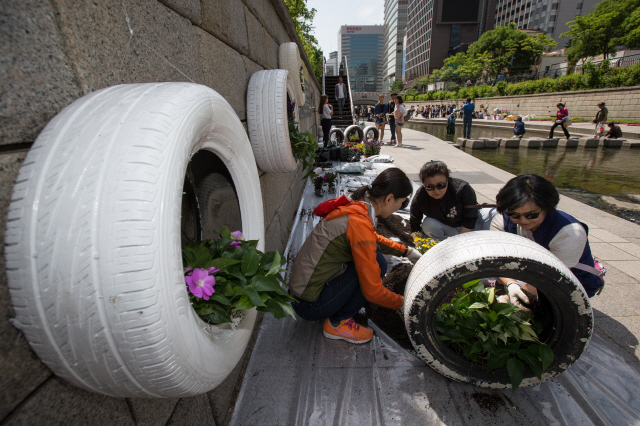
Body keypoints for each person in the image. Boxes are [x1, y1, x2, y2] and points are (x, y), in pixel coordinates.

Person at [289, 168, 421, 344]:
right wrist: (403, 303)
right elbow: (372, 291)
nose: (400, 208)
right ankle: (337, 324)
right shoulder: (358, 221)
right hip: (309, 305)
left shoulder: (358, 206)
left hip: (302, 292)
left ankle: (336, 308)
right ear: (389, 198)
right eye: (402, 203)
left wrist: (406, 251)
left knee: (376, 255)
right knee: (378, 264)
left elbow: (372, 239)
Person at [491, 174, 603, 301]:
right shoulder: (501, 220)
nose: (523, 220)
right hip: (527, 270)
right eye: (514, 215)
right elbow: (497, 259)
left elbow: (553, 278)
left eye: (531, 215)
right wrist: (511, 284)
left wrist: (508, 299)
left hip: (566, 279)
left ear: (546, 207)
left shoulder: (569, 233)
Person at [410, 160, 496, 241]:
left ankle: (485, 240)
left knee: (494, 212)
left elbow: (471, 218)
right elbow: (415, 222)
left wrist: (458, 242)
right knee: (428, 224)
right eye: (430, 187)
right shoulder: (420, 197)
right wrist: (419, 244)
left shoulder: (462, 189)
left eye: (441, 185)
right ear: (424, 185)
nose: (436, 191)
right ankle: (442, 244)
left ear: (447, 180)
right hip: (449, 229)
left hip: (472, 226)